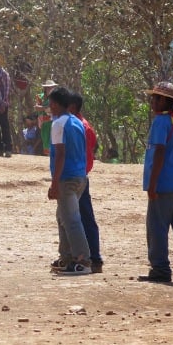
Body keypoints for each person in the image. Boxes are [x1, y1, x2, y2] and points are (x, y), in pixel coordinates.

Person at [138, 81, 173, 283]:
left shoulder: (162, 122)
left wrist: (152, 185)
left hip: (164, 184)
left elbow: (159, 152)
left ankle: (160, 269)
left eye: (155, 98)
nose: (152, 102)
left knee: (157, 228)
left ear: (164, 100)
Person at [46, 87, 91, 275]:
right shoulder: (77, 122)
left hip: (66, 178)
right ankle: (66, 257)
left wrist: (54, 183)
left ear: (56, 104)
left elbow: (60, 154)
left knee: (71, 219)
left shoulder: (58, 124)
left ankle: (82, 259)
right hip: (80, 177)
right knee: (63, 217)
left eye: (50, 104)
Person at [69, 91, 103, 273]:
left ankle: (93, 258)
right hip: (80, 175)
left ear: (72, 107)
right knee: (80, 217)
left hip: (77, 176)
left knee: (82, 218)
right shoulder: (82, 125)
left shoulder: (79, 126)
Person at [35, 80, 58, 156]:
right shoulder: (40, 96)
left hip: (54, 121)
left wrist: (42, 108)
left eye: (51, 88)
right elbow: (38, 108)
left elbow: (52, 108)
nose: (49, 89)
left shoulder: (56, 98)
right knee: (45, 140)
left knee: (54, 140)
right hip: (44, 123)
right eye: (47, 88)